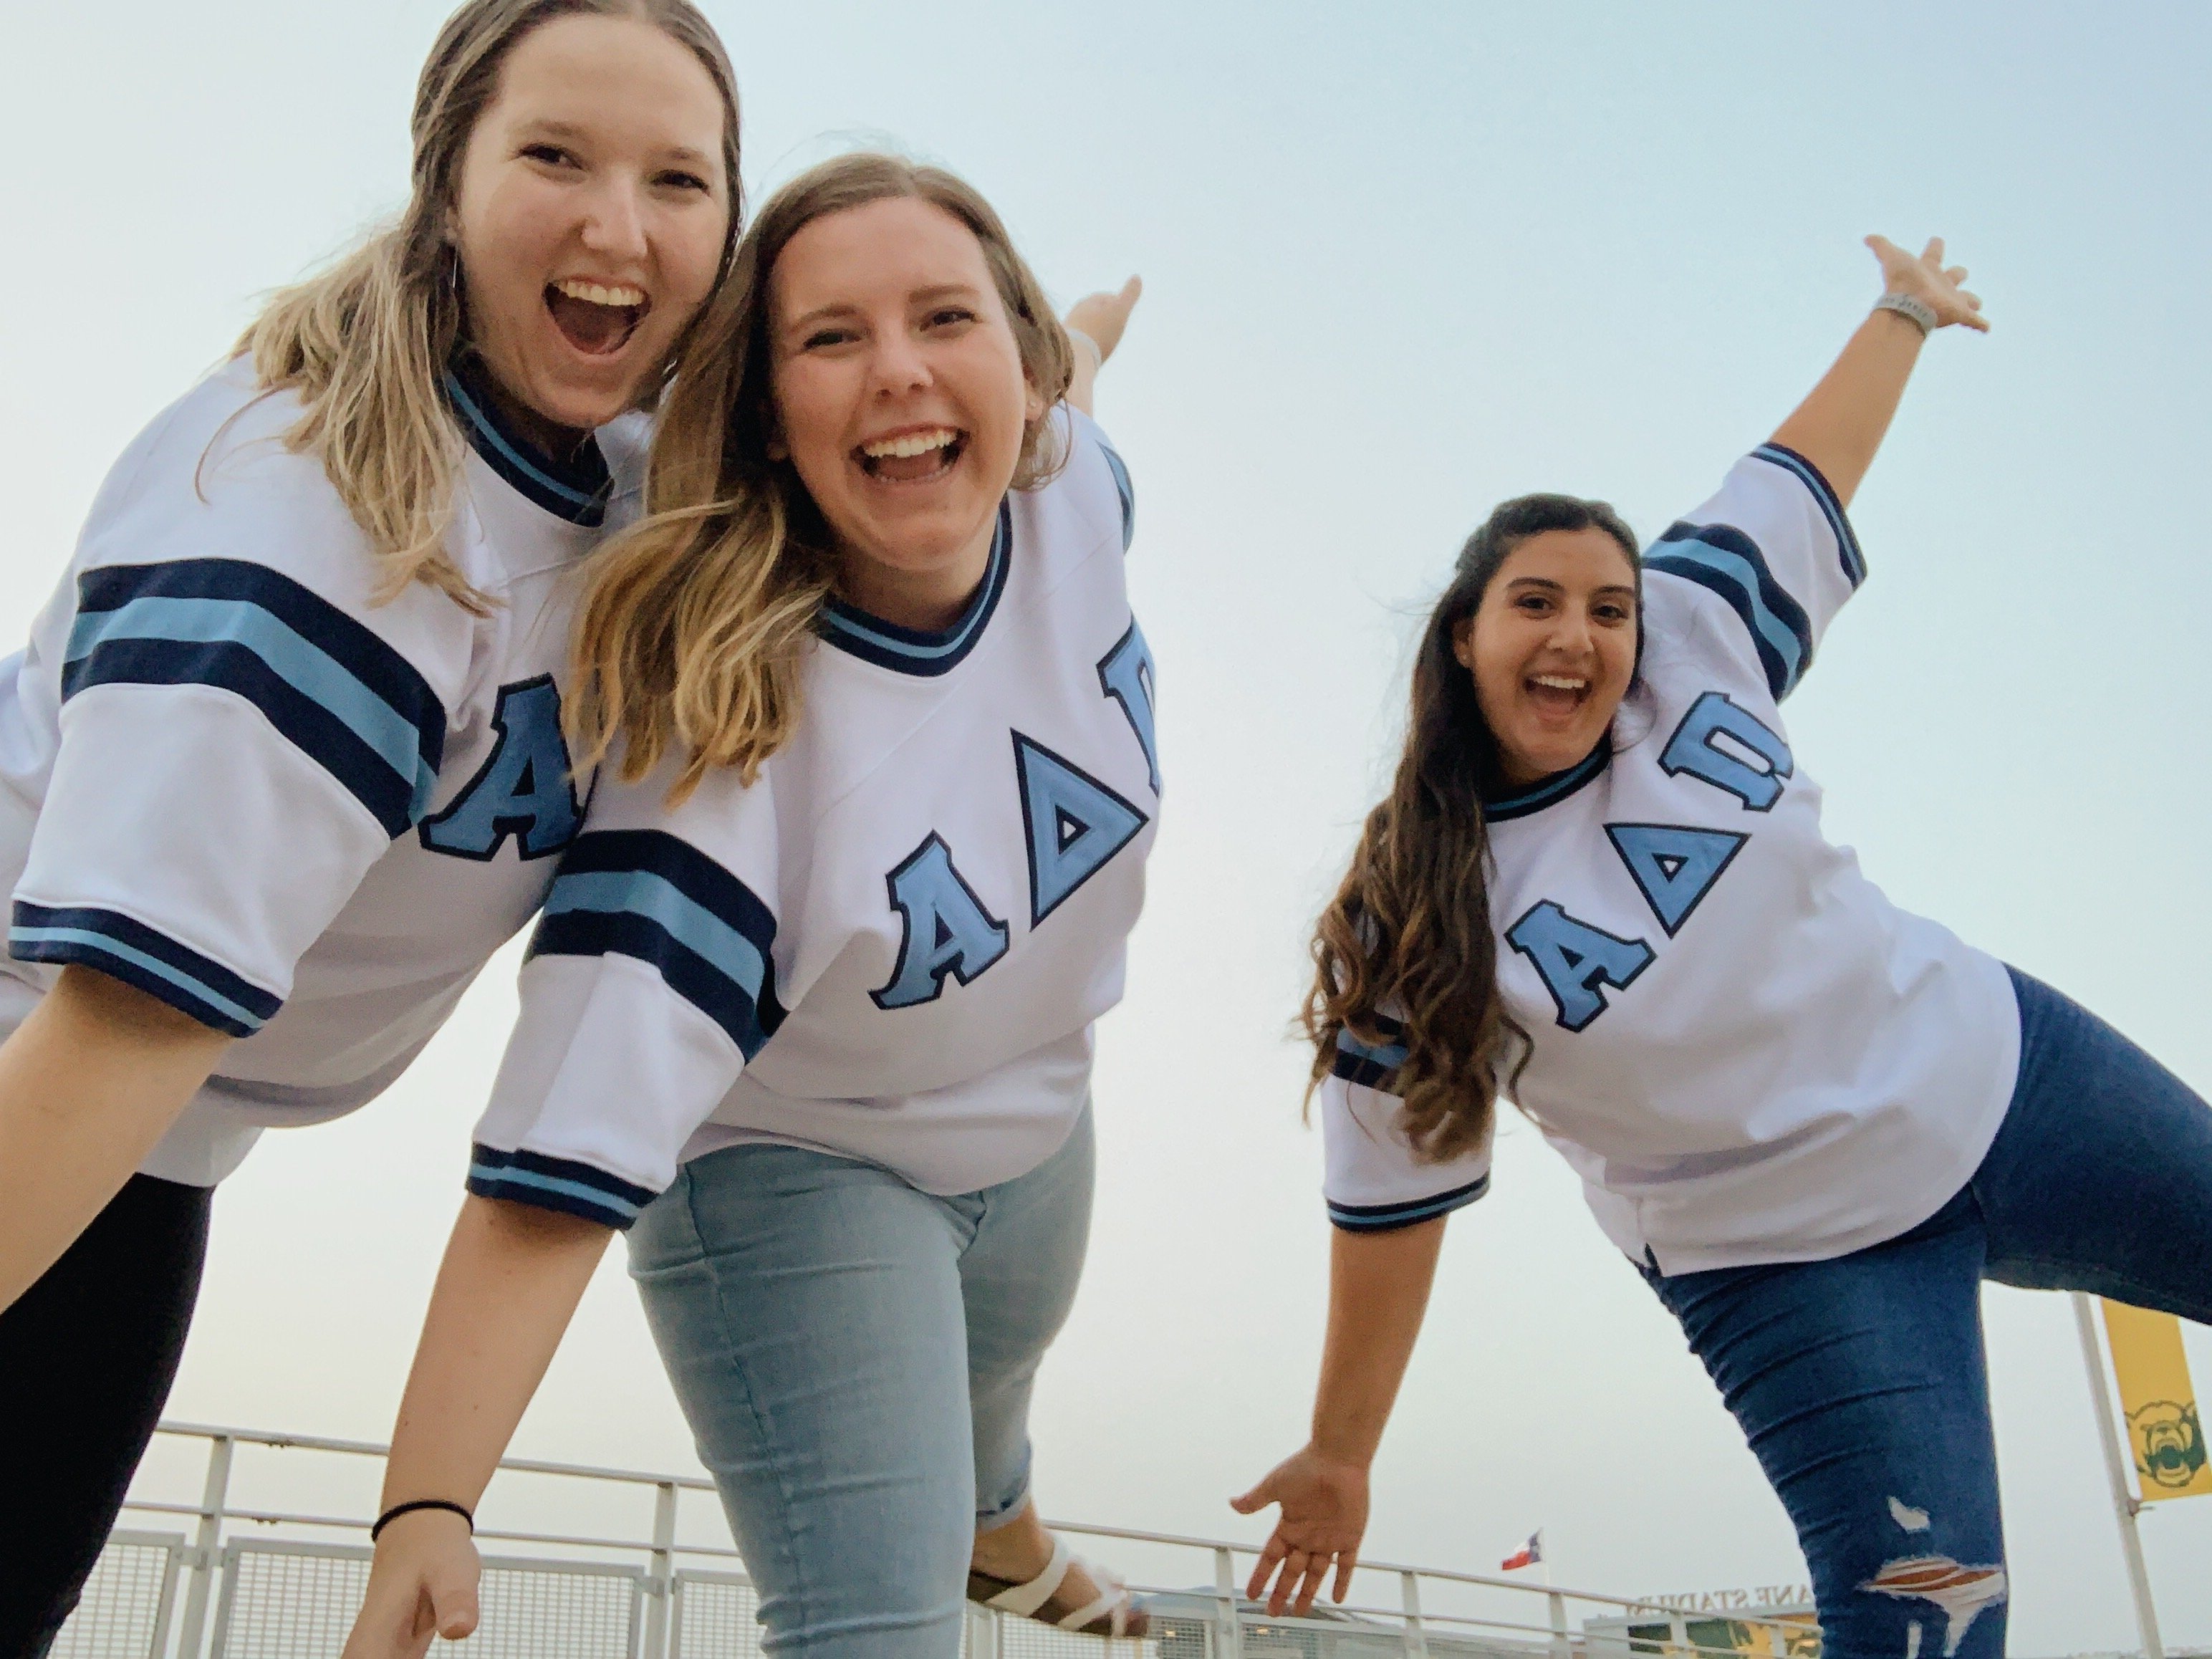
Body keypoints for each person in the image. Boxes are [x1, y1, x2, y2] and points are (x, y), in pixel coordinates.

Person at [1232, 236, 2212, 1659]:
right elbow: (1389, 1208)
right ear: (1458, 637)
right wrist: (1339, 1452)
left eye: (1604, 607)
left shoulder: (1694, 632)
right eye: (1533, 604)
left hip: (1998, 1075)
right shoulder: (1409, 921)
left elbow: (1802, 464)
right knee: (1928, 1628)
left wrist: (1901, 314)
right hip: (1786, 1258)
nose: (1578, 636)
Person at [342, 153, 1152, 1659]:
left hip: (1042, 1129)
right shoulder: (736, 757)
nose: (901, 373)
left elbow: (1081, 371)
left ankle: (1003, 1525)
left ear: (1021, 368)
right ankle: (969, 1545)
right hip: (801, 1171)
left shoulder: (1074, 487)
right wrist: (426, 1506)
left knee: (988, 1411)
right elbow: (554, 1155)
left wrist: (1093, 325)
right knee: (876, 1628)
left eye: (945, 319)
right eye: (829, 340)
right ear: (769, 423)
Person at [0, 1, 739, 1648]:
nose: (617, 224)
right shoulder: (319, 513)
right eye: (553, 154)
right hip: (40, 1085)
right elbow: (119, 1021)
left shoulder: (623, 470)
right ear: (448, 184)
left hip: (151, 1159)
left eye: (677, 179)